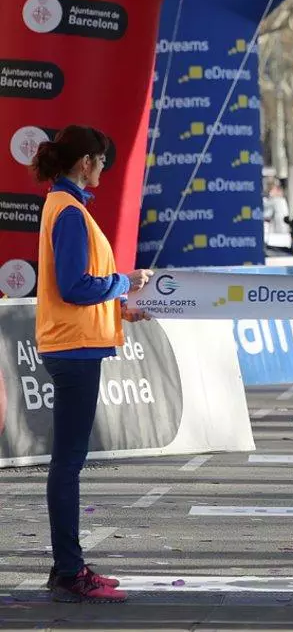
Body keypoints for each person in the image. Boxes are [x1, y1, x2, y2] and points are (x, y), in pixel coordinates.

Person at [30, 125, 155, 603]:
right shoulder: (68, 211)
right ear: (85, 162)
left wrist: (120, 307)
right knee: (68, 464)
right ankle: (69, 571)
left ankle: (67, 567)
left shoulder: (65, 205)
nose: (104, 168)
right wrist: (124, 283)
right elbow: (75, 286)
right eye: (101, 160)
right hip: (73, 349)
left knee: (67, 463)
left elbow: (79, 287)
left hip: (72, 344)